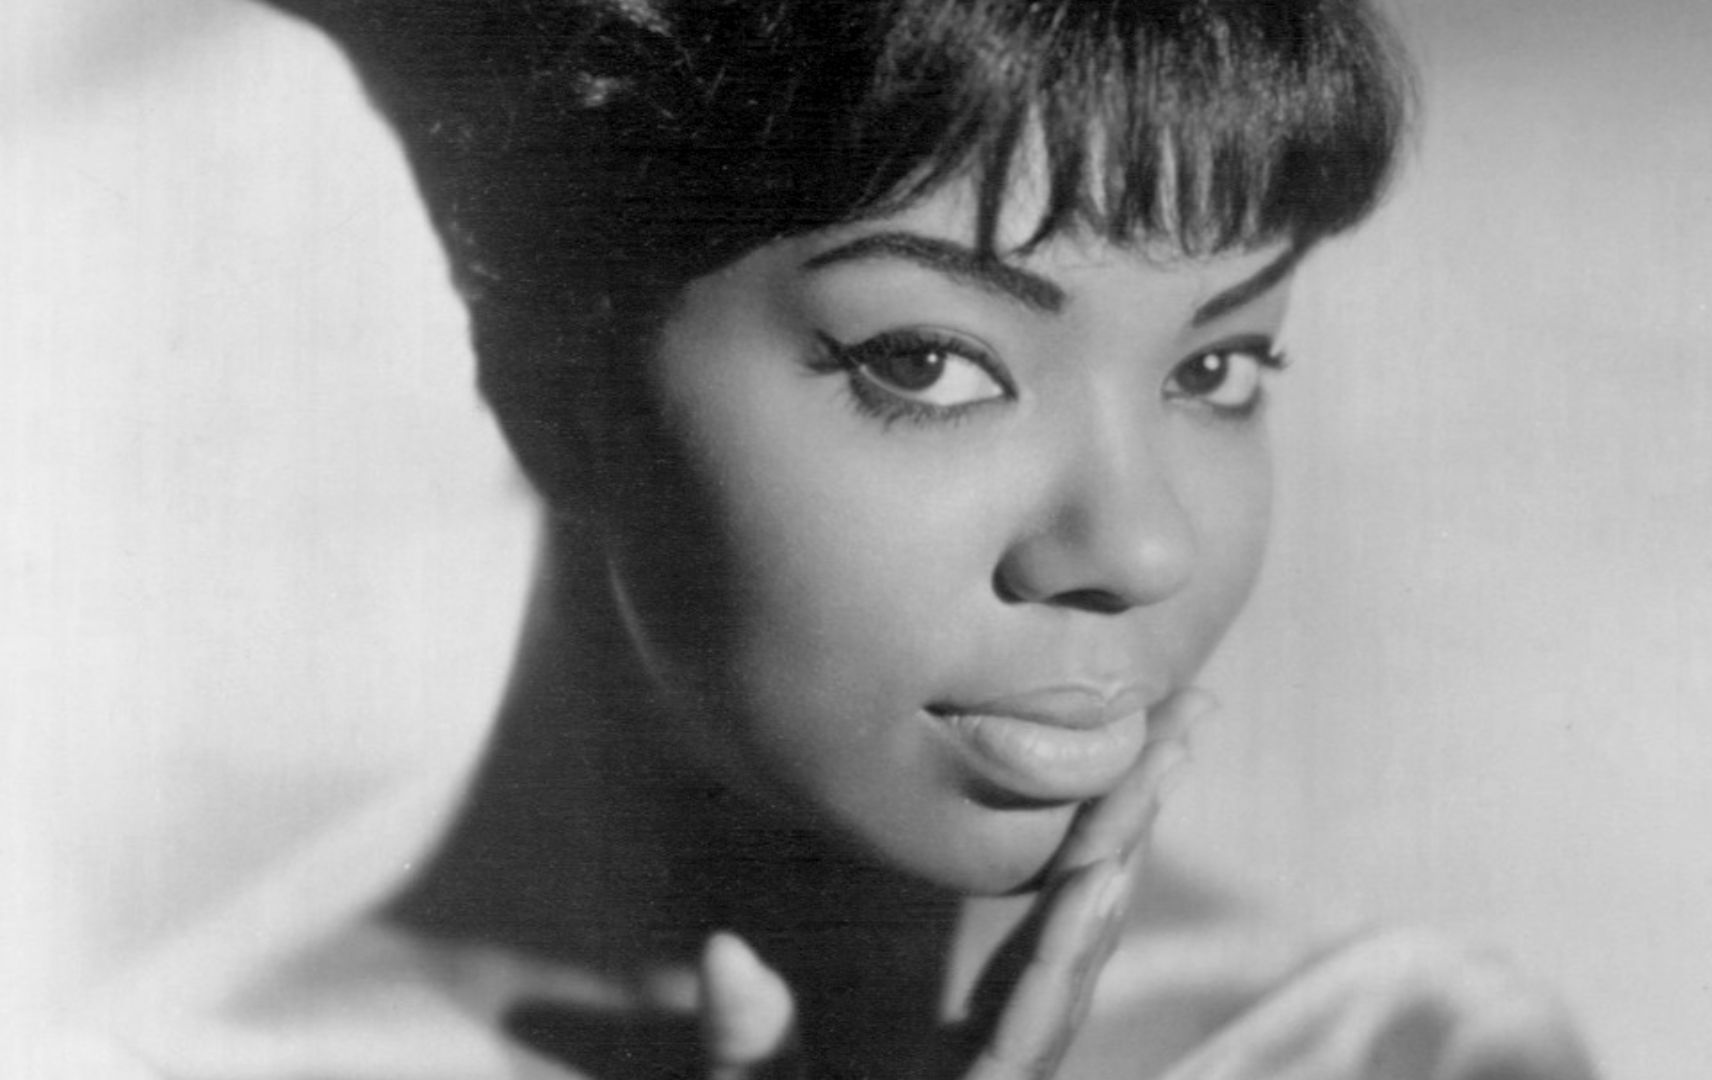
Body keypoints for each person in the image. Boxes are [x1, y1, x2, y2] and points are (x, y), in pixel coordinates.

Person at [69, 1, 1596, 1076]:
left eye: (1217, 368)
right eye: (925, 363)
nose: (1139, 548)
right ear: (556, 380)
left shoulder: (1378, 1052)